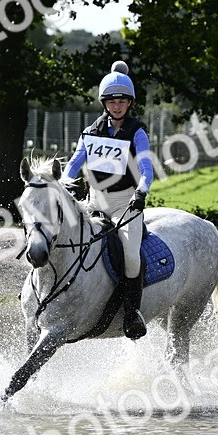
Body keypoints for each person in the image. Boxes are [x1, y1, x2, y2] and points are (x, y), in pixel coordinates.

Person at [62, 60, 154, 340]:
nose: (117, 106)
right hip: (94, 202)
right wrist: (64, 185)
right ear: (105, 103)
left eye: (122, 101)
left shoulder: (136, 132)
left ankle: (132, 313)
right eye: (112, 101)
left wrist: (141, 192)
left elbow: (146, 169)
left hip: (125, 203)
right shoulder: (91, 131)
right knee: (57, 236)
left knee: (130, 255)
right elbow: (74, 164)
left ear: (129, 103)